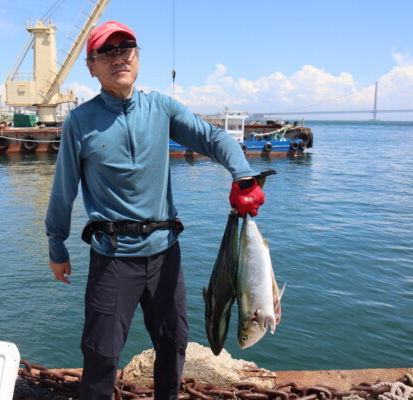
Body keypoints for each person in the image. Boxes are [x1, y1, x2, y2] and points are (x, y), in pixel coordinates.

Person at [45, 20, 265, 400]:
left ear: (138, 56)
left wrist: (243, 175)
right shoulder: (79, 122)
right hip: (112, 257)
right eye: (107, 52)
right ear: (91, 66)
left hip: (165, 253)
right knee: (100, 353)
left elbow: (211, 137)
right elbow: (63, 188)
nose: (119, 57)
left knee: (174, 342)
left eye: (126, 48)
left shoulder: (161, 106)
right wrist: (56, 244)